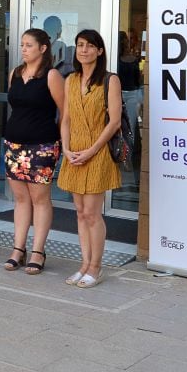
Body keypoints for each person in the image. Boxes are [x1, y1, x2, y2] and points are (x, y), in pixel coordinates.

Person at [57, 29, 121, 288]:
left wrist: (92, 150)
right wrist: (66, 148)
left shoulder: (109, 80)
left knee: (93, 213)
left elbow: (114, 122)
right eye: (80, 45)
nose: (84, 50)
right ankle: (84, 263)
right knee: (80, 213)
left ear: (100, 51)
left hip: (97, 152)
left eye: (90, 46)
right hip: (74, 152)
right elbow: (67, 118)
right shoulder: (70, 80)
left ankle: (96, 267)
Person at [2, 28, 64, 274]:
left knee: (40, 199)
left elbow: (64, 112)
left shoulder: (52, 75)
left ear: (43, 48)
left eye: (29, 45)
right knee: (20, 199)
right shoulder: (15, 73)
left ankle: (38, 250)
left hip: (42, 145)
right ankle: (18, 248)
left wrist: (57, 141)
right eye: (22, 45)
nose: (24, 49)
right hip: (14, 144)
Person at [117, 31, 142, 150]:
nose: (126, 42)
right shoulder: (113, 60)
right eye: (125, 40)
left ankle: (128, 159)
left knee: (130, 128)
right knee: (120, 127)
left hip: (131, 96)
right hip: (118, 95)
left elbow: (138, 81)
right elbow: (138, 81)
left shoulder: (132, 59)